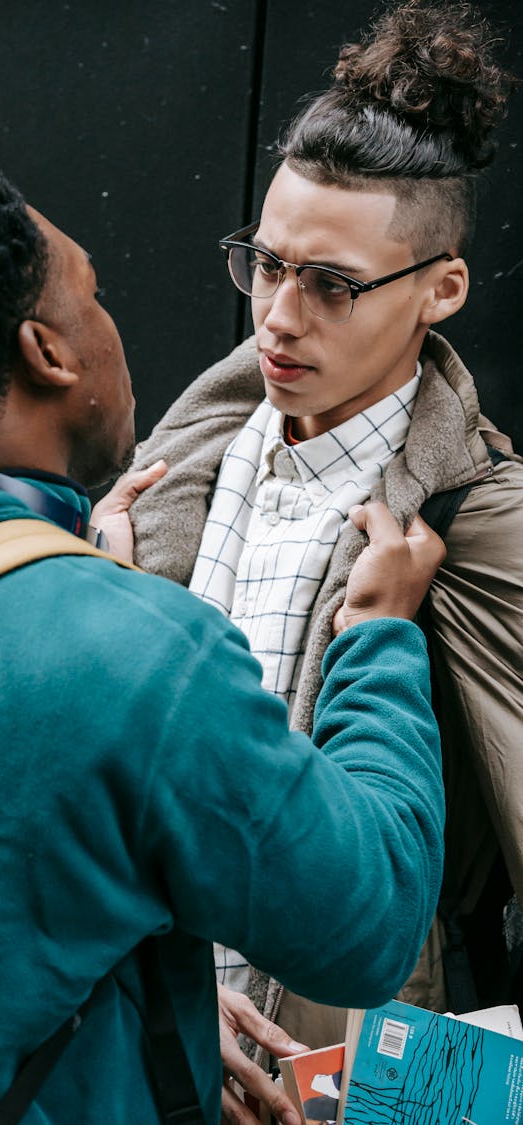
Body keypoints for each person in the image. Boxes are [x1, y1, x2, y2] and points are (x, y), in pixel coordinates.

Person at [0, 148, 446, 1125]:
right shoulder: (141, 658)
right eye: (92, 296)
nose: (109, 324)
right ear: (47, 355)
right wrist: (379, 634)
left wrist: (155, 1004)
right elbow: (371, 921)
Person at [126, 0, 523, 1060]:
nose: (280, 316)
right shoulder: (182, 465)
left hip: (344, 1051)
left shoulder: (479, 520)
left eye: (332, 285)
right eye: (266, 264)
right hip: (161, 1030)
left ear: (440, 290)